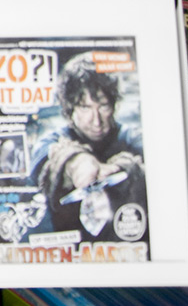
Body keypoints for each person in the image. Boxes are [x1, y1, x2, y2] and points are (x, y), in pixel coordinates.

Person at [29, 53, 146, 240]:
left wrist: (124, 169)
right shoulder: (52, 140)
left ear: (114, 106)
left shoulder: (131, 138)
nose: (96, 120)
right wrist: (75, 163)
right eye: (85, 107)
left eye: (103, 106)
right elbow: (40, 159)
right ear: (70, 109)